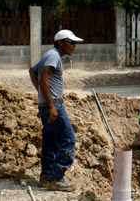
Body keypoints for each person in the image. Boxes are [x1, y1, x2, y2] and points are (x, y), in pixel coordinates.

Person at [29, 29, 83, 192]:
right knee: (68, 139)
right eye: (71, 42)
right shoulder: (53, 56)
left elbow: (33, 71)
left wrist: (43, 97)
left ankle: (46, 176)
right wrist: (52, 105)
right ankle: (55, 177)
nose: (74, 46)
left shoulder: (50, 54)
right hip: (53, 106)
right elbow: (43, 80)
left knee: (50, 140)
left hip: (47, 105)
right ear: (61, 42)